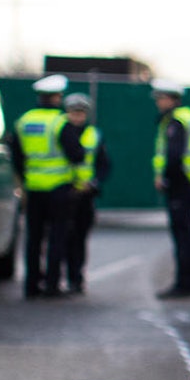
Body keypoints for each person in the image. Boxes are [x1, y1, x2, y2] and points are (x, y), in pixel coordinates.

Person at [7, 74, 76, 299]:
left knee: (33, 238)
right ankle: (52, 285)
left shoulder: (24, 121)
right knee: (57, 237)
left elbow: (16, 155)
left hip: (33, 188)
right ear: (57, 97)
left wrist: (25, 178)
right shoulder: (61, 122)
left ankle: (31, 285)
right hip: (58, 188)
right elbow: (76, 153)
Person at [152, 79, 190, 299]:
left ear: (170, 98)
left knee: (182, 235)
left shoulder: (177, 121)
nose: (158, 103)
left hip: (180, 183)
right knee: (188, 235)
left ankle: (185, 284)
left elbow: (174, 156)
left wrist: (164, 178)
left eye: (160, 98)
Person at [61, 93, 110, 297]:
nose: (77, 117)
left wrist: (95, 183)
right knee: (62, 237)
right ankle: (60, 277)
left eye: (81, 113)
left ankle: (76, 278)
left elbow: (103, 164)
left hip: (85, 195)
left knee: (79, 239)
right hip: (64, 192)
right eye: (74, 112)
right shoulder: (60, 130)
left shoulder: (94, 135)